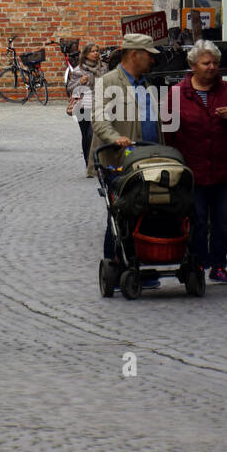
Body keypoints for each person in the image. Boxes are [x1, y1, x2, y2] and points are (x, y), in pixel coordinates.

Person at [170, 40, 227, 285]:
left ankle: (218, 265)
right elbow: (169, 132)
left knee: (223, 221)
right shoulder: (177, 93)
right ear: (193, 65)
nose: (212, 67)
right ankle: (198, 264)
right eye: (207, 63)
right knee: (197, 220)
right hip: (193, 170)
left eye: (215, 62)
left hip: (224, 168)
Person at [91, 32, 163, 286]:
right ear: (135, 55)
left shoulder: (145, 83)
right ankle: (117, 265)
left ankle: (143, 265)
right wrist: (114, 137)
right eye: (149, 56)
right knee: (122, 213)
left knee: (149, 210)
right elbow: (99, 118)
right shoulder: (108, 82)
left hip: (149, 158)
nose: (152, 61)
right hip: (120, 161)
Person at [66, 43, 103, 176]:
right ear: (86, 54)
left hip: (98, 105)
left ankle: (96, 164)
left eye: (97, 50)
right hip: (83, 107)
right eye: (92, 51)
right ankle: (88, 163)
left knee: (93, 134)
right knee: (86, 135)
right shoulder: (78, 70)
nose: (95, 53)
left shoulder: (103, 68)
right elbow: (70, 88)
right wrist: (80, 82)